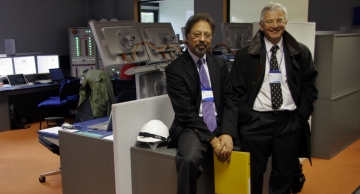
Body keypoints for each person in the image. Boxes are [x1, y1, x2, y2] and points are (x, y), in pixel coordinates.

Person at [230, 2, 318, 194]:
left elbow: (310, 88)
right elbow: (236, 91)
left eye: (279, 20)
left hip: (289, 122)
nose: (275, 25)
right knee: (252, 174)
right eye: (269, 21)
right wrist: (247, 117)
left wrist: (300, 117)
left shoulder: (300, 52)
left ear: (286, 22)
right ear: (261, 25)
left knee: (283, 175)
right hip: (256, 123)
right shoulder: (245, 55)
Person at [165, 13, 239, 194]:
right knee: (188, 160)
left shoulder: (219, 64)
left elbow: (230, 99)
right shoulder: (175, 69)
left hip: (219, 123)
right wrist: (212, 140)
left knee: (248, 149)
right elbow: (185, 112)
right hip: (193, 127)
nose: (202, 40)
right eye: (197, 34)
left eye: (207, 35)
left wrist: (228, 133)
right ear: (187, 36)